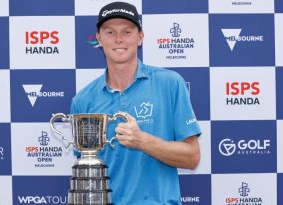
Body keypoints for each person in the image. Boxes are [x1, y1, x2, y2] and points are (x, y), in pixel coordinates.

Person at [70, 1, 201, 204]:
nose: (119, 40)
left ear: (140, 37)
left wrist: (142, 141)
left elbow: (192, 158)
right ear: (98, 39)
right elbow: (87, 169)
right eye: (110, 32)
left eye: (127, 32)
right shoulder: (83, 100)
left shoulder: (170, 83)